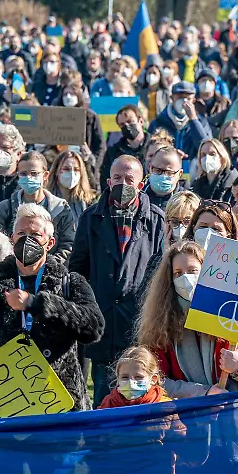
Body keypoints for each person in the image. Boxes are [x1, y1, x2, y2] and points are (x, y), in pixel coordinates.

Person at [0, 204, 105, 421]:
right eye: (21, 234)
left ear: (50, 243)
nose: (27, 240)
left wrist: (39, 304)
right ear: (11, 239)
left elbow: (94, 327)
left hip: (59, 410)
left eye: (35, 235)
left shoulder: (70, 283)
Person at [134, 240, 238, 474]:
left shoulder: (236, 317)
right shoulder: (160, 328)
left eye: (193, 270)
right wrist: (203, 394)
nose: (185, 278)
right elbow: (155, 383)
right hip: (191, 443)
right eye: (178, 273)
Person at [70, 155, 165, 404]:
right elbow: (78, 268)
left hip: (139, 321)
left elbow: (160, 271)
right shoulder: (91, 218)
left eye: (129, 179)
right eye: (118, 178)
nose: (123, 183)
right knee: (105, 393)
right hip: (104, 322)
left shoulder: (156, 219)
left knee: (142, 394)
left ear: (140, 184)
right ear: (109, 181)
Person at [91, 345, 188, 474]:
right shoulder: (107, 406)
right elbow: (96, 448)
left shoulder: (165, 408)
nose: (131, 382)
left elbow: (189, 451)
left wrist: (202, 425)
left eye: (138, 377)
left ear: (153, 379)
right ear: (117, 378)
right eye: (125, 377)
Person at [0, 151, 76, 264]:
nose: (29, 178)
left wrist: (47, 266)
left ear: (45, 176)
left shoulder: (60, 209)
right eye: (23, 174)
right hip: (13, 270)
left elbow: (67, 245)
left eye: (34, 173)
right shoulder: (4, 208)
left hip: (49, 271)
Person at [148, 81, 213, 159]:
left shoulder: (202, 122)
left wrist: (193, 120)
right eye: (180, 97)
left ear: (193, 100)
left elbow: (206, 146)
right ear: (172, 98)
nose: (184, 101)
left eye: (188, 98)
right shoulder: (158, 122)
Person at [99, 104, 149, 189]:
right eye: (122, 124)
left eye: (130, 121)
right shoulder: (113, 152)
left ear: (141, 121)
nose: (127, 126)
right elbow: (105, 179)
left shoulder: (154, 147)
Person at [49, 149, 98, 222]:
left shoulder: (89, 202)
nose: (72, 173)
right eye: (66, 169)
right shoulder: (46, 199)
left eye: (76, 170)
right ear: (56, 171)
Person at [143, 145, 184, 211]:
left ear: (180, 174)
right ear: (150, 168)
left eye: (169, 172)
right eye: (158, 170)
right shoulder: (137, 197)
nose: (163, 176)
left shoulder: (187, 203)